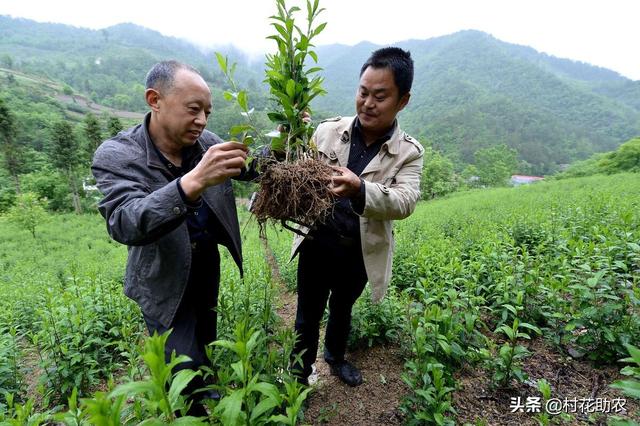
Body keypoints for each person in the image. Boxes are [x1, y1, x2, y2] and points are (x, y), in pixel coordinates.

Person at [92, 60, 252, 415]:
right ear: (155, 100)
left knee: (206, 338)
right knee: (180, 360)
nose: (203, 121)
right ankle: (187, 411)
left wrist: (285, 143)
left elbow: (249, 164)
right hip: (161, 274)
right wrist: (190, 183)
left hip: (205, 263)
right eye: (194, 110)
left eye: (207, 112)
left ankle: (206, 392)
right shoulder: (118, 154)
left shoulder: (203, 142)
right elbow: (124, 220)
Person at [290, 47, 424, 387]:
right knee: (307, 313)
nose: (367, 103)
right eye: (363, 92)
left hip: (359, 251)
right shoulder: (327, 131)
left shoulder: (408, 152)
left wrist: (360, 189)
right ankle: (298, 373)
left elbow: (405, 200)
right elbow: (299, 168)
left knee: (342, 307)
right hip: (317, 241)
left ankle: (335, 356)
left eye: (380, 96)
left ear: (402, 101)